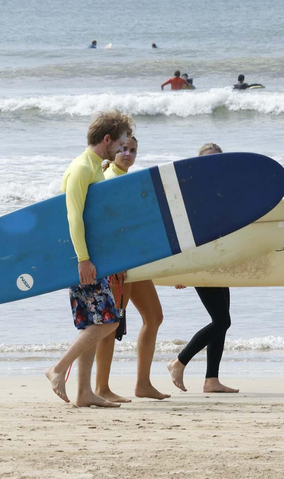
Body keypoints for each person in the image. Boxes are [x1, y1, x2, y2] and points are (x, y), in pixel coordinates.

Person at [45, 109, 133, 407]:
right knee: (108, 321)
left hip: (91, 257)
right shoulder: (82, 168)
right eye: (120, 142)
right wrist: (83, 259)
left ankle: (83, 392)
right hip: (81, 258)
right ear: (106, 139)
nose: (123, 148)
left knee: (92, 323)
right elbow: (74, 218)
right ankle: (57, 369)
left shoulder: (96, 167)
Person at [93, 135, 172, 403]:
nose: (128, 154)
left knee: (154, 316)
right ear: (113, 149)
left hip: (134, 262)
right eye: (123, 149)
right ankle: (101, 388)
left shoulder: (129, 179)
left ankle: (142, 384)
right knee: (109, 325)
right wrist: (117, 261)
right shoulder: (109, 179)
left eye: (133, 150)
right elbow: (106, 226)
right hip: (119, 264)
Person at [167, 142, 239, 394]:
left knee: (221, 320)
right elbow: (183, 233)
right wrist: (183, 270)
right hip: (200, 262)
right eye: (207, 160)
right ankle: (179, 361)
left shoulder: (224, 190)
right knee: (222, 320)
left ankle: (212, 380)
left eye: (217, 160)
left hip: (219, 260)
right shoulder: (192, 192)